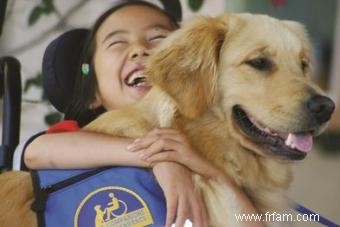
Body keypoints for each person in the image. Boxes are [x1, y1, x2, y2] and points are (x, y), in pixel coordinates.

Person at [23, 1, 261, 226]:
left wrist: (209, 171)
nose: (139, 50)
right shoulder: (80, 137)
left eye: (158, 38)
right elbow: (36, 151)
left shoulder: (214, 145)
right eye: (117, 43)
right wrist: (158, 157)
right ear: (93, 93)